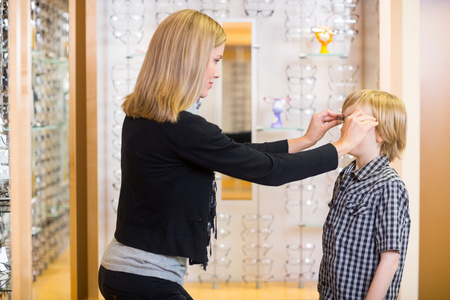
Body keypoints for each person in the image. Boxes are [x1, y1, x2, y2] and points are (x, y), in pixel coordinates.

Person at [98, 9, 377, 300]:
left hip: (125, 272)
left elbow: (237, 152)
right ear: (189, 61)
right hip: (143, 279)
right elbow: (270, 171)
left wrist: (307, 140)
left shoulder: (146, 117)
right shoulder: (182, 126)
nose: (218, 72)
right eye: (215, 60)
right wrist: (343, 146)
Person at [318, 90, 410, 300]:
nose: (343, 128)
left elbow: (390, 260)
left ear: (382, 133)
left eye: (355, 122)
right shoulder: (346, 176)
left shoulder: (389, 186)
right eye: (345, 120)